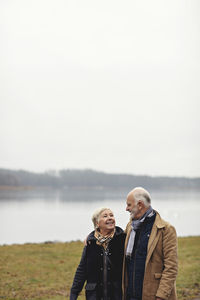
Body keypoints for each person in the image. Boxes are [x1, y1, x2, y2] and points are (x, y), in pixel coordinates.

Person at [122, 187, 178, 300]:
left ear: (140, 204)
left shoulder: (166, 229)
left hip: (154, 296)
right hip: (130, 295)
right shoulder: (130, 227)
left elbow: (171, 267)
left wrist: (161, 296)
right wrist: (94, 235)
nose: (126, 209)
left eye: (129, 205)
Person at [70, 207, 125, 300]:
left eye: (111, 215)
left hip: (117, 295)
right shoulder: (90, 243)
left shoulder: (122, 239)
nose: (110, 218)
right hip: (94, 295)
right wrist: (74, 293)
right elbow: (82, 269)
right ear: (97, 223)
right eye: (105, 216)